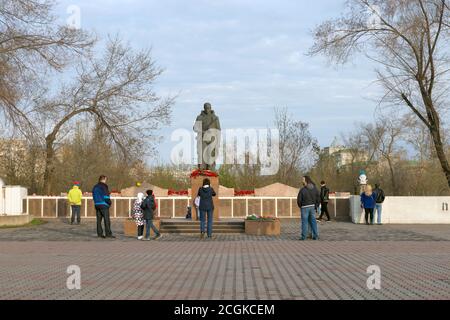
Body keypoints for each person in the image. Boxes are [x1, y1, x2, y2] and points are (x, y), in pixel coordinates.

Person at [297, 176, 320, 241]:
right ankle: (315, 236)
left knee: (304, 222)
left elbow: (299, 200)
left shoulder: (302, 190)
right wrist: (316, 205)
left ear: (306, 180)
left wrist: (301, 206)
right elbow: (318, 197)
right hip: (312, 207)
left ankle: (303, 237)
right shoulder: (315, 188)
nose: (302, 180)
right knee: (313, 222)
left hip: (304, 207)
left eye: (303, 179)